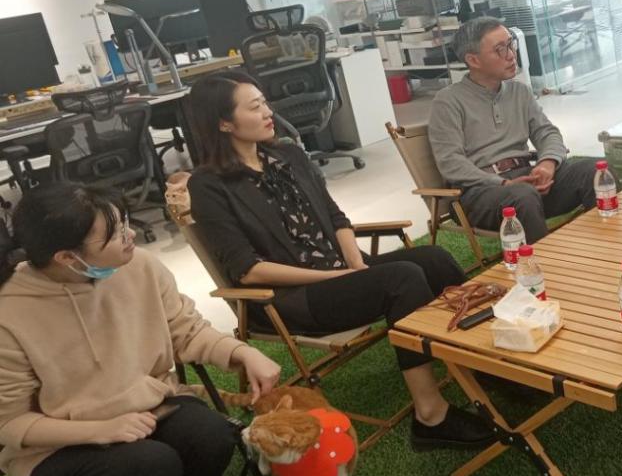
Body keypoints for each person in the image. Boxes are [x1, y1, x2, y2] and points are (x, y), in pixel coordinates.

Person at [185, 71, 493, 451]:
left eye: (264, 102)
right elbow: (247, 270)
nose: (268, 112)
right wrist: (333, 277)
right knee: (402, 279)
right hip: (290, 297)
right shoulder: (209, 186)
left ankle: (484, 364)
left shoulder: (288, 155)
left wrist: (355, 266)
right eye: (254, 107)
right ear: (223, 123)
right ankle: (431, 415)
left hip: (341, 273)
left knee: (435, 258)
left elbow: (335, 218)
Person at [0, 183, 282, 476]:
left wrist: (243, 353)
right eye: (116, 234)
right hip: (57, 448)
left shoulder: (139, 265)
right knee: (152, 465)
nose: (131, 234)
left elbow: (186, 329)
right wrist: (99, 430)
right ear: (67, 257)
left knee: (209, 436)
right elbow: (10, 424)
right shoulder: (9, 313)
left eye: (125, 222)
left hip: (149, 407)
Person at [428, 18, 598, 243]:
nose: (511, 55)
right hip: (480, 192)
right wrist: (502, 184)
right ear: (473, 60)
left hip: (526, 180)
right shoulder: (448, 101)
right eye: (500, 49)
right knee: (523, 196)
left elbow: (547, 133)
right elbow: (451, 163)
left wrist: (547, 163)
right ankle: (541, 262)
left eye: (511, 44)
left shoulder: (520, 91)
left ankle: (605, 247)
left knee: (595, 171)